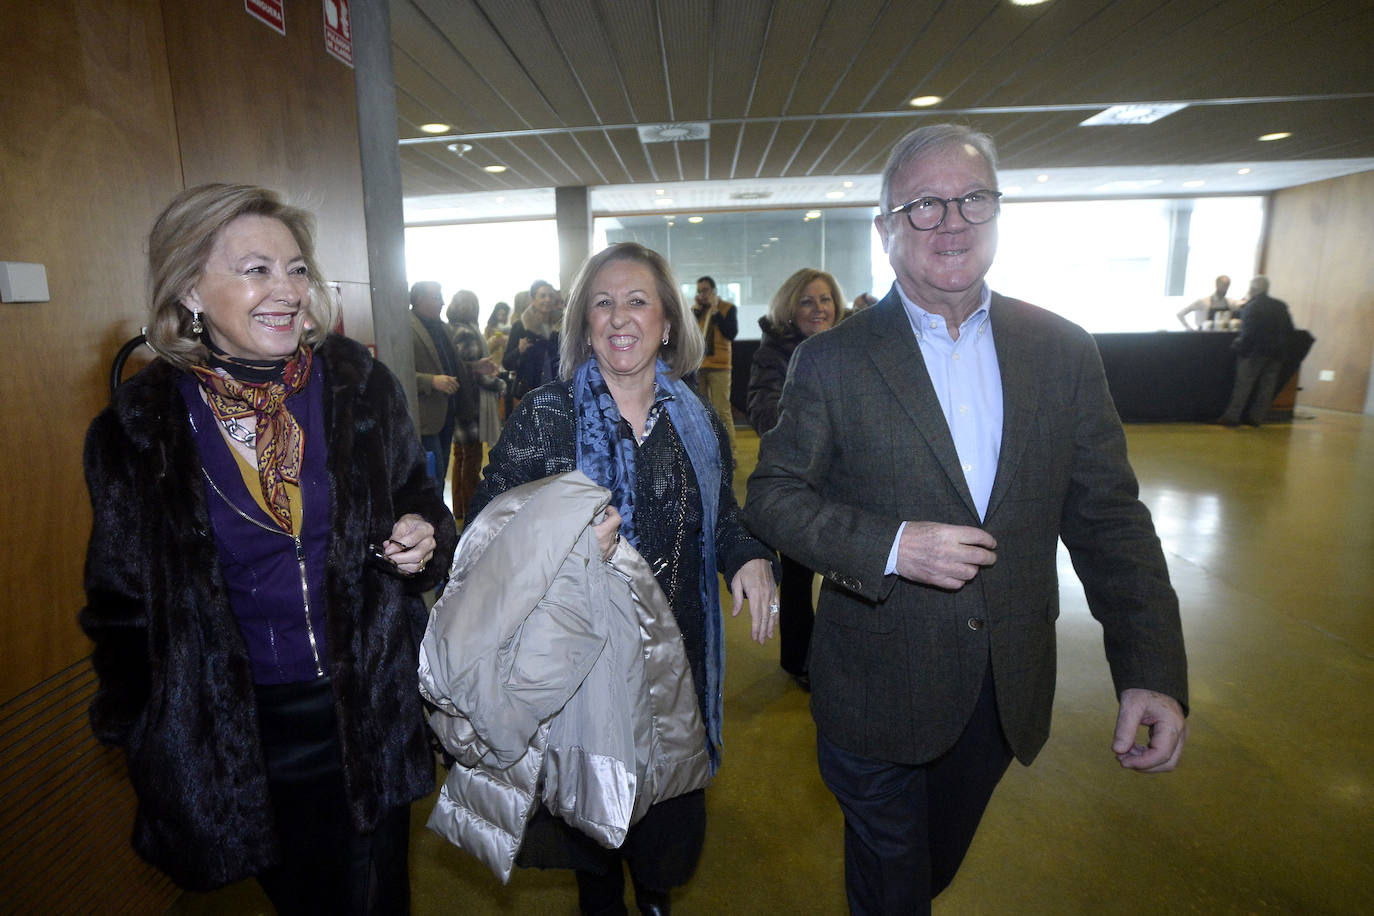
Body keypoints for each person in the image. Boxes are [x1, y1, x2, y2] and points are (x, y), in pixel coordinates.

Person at [742, 124, 1189, 915]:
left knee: (928, 868)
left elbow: (1110, 521)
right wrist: (889, 544)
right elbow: (774, 494)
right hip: (875, 691)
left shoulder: (1062, 351)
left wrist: (1150, 668)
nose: (951, 221)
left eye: (972, 199)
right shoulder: (833, 361)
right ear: (885, 229)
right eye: (922, 205)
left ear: (997, 214)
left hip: (1001, 690)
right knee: (894, 884)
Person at [79, 183, 459, 910]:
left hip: (364, 711)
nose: (287, 290)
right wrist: (144, 734)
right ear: (190, 288)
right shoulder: (138, 429)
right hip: (235, 735)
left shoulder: (357, 387)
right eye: (256, 269)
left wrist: (424, 535)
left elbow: (419, 499)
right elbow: (119, 605)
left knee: (375, 896)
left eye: (296, 269)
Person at [470, 241, 779, 915]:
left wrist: (747, 553)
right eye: (602, 303)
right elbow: (483, 535)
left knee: (667, 835)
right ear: (584, 326)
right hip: (584, 676)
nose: (619, 317)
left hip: (679, 667)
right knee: (595, 842)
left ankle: (658, 899)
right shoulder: (547, 416)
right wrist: (561, 540)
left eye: (637, 300)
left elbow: (720, 509)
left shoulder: (696, 416)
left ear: (667, 321)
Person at [747, 268, 845, 689]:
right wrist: (812, 434)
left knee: (849, 577)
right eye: (807, 301)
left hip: (846, 481)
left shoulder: (849, 346)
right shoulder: (773, 353)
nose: (818, 308)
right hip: (799, 483)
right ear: (791, 307)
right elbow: (762, 410)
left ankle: (843, 658)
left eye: (824, 299)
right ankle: (799, 660)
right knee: (800, 577)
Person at [444, 289, 501, 519]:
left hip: (460, 401)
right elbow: (471, 370)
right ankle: (471, 512)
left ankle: (459, 509)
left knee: (460, 458)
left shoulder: (451, 330)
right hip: (473, 402)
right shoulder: (467, 332)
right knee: (472, 459)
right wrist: (498, 384)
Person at [1218, 275, 1294, 427]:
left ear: (1252, 290)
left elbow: (1248, 334)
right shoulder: (1280, 306)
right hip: (1276, 353)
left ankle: (1232, 417)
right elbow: (1289, 330)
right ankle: (1256, 418)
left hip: (1254, 353)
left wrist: (1237, 346)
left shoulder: (1251, 307)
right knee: (1267, 387)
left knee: (1244, 385)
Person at [411, 279, 462, 497]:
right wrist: (432, 381)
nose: (442, 302)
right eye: (437, 297)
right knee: (433, 477)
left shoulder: (443, 327)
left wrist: (476, 368)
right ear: (420, 300)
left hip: (447, 412)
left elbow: (452, 364)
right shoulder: (406, 326)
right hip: (425, 418)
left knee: (440, 477)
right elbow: (397, 371)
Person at [692, 275, 739, 452]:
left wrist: (715, 312)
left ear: (713, 291)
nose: (702, 295)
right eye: (699, 291)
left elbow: (731, 333)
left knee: (721, 410)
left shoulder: (727, 308)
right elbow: (690, 334)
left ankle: (730, 451)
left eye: (705, 291)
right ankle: (705, 450)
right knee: (701, 410)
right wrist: (696, 312)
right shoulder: (697, 310)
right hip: (699, 366)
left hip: (720, 366)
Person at [502, 279, 561, 402]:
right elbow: (506, 363)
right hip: (529, 390)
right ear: (533, 300)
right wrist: (519, 350)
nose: (547, 300)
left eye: (551, 296)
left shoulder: (562, 325)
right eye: (543, 296)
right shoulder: (520, 326)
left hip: (557, 389)